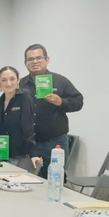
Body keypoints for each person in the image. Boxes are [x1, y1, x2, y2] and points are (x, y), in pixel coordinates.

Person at [19, 44, 84, 178]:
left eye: (38, 58)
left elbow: (78, 102)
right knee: (28, 180)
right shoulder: (20, 84)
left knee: (56, 180)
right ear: (25, 63)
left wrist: (61, 102)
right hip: (28, 144)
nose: (35, 62)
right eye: (30, 59)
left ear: (47, 59)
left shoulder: (60, 81)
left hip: (55, 144)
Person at [0, 66, 42, 169]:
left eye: (12, 79)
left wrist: (33, 154)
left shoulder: (25, 96)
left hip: (20, 155)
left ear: (18, 80)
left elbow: (28, 126)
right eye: (4, 80)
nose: (8, 83)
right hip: (1, 154)